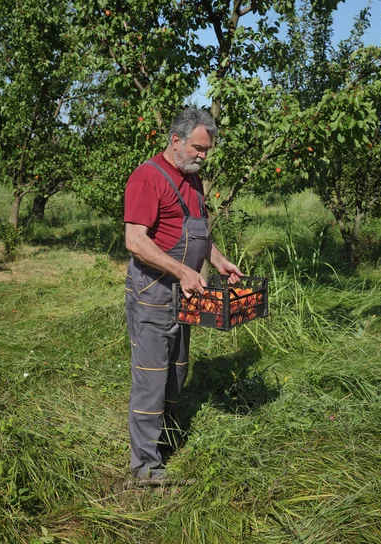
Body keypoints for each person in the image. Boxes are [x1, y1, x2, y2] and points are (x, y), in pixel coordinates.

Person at [124, 107, 243, 484]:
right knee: (151, 376)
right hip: (153, 292)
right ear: (175, 140)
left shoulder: (192, 180)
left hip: (185, 292)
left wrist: (220, 261)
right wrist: (180, 271)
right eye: (197, 148)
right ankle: (145, 468)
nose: (202, 156)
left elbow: (197, 235)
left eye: (206, 150)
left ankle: (166, 441)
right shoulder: (148, 177)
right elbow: (135, 240)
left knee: (177, 370)